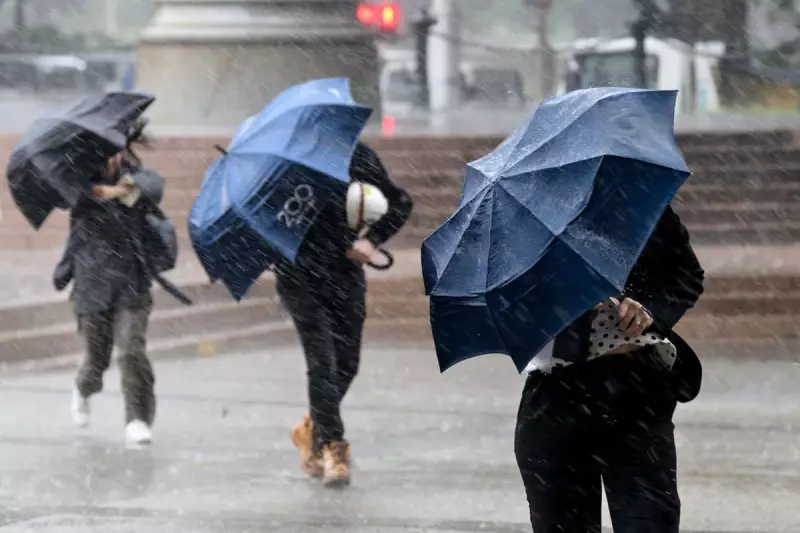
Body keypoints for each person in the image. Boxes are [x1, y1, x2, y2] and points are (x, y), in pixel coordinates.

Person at [514, 205, 705, 533]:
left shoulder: (639, 199)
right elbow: (506, 300)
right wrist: (567, 300)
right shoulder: (525, 214)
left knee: (647, 519)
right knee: (562, 520)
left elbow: (684, 273)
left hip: (636, 390)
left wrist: (647, 308)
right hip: (557, 394)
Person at [280, 141, 413, 487]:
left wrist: (372, 240)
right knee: (322, 361)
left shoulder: (355, 155)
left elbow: (399, 202)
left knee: (347, 364)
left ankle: (310, 429)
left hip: (344, 273)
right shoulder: (281, 164)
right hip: (298, 276)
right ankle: (334, 450)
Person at [54, 120, 181, 446]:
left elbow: (152, 188)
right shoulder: (78, 182)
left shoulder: (136, 176)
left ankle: (138, 419)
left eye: (116, 147)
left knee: (131, 352)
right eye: (104, 148)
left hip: (131, 280)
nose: (111, 155)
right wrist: (102, 191)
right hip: (91, 282)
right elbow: (72, 195)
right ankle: (83, 388)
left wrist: (125, 188)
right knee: (96, 361)